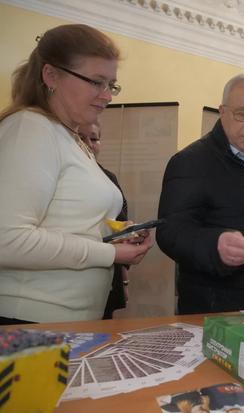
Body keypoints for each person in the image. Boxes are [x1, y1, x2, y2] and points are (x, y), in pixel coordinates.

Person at [0, 24, 153, 324]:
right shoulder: (30, 128)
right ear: (51, 75)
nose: (107, 96)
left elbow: (70, 224)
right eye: (96, 82)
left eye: (111, 85)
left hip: (69, 322)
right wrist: (110, 254)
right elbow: (7, 240)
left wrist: (116, 235)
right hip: (29, 323)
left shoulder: (69, 137)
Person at [157, 73, 244, 314]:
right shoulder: (190, 161)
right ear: (222, 112)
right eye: (242, 113)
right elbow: (170, 232)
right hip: (215, 308)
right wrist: (214, 243)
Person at [79, 122, 129, 319]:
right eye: (80, 137)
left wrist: (130, 231)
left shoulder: (109, 178)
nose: (88, 144)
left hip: (107, 278)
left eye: (94, 138)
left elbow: (119, 224)